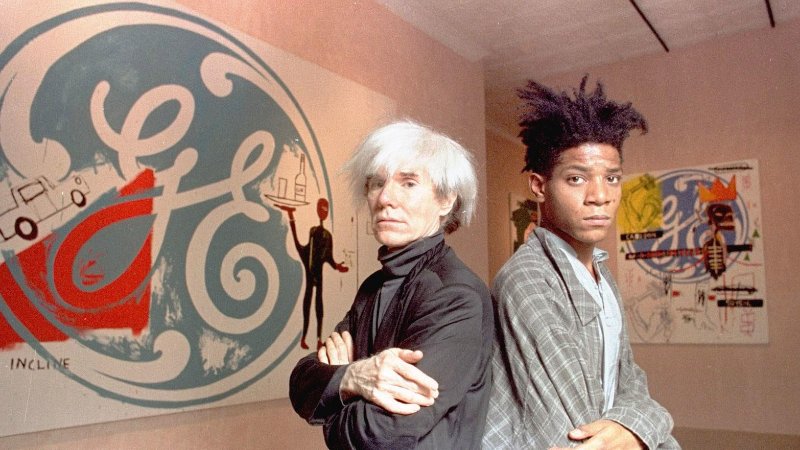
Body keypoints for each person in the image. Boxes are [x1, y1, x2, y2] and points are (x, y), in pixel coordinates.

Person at [483, 77, 680, 449]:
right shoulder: (528, 279)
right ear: (539, 186)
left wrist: (639, 426)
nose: (600, 196)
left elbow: (631, 382)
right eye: (576, 179)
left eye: (612, 178)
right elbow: (577, 432)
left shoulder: (601, 274)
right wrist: (648, 425)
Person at [289, 120, 493, 449]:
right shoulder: (373, 287)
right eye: (376, 183)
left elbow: (382, 433)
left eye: (408, 183)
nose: (385, 198)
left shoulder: (455, 294)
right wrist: (353, 376)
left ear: (445, 200)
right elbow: (301, 383)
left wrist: (334, 403)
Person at [279, 198, 348, 350]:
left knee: (318, 306)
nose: (323, 212)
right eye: (321, 208)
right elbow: (307, 249)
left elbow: (328, 257)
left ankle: (318, 339)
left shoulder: (327, 236)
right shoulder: (313, 231)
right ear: (317, 210)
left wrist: (337, 266)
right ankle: (304, 338)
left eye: (326, 209)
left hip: (318, 274)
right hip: (310, 270)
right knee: (307, 304)